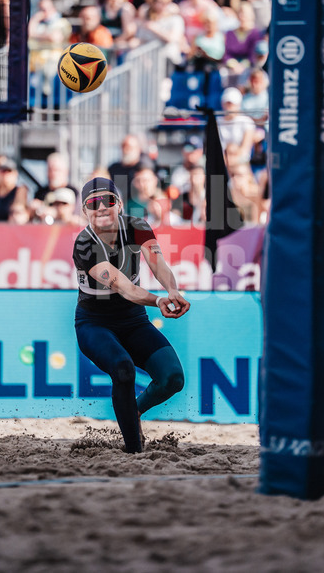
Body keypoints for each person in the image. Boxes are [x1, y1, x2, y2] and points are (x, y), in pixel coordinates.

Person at [71, 177, 189, 453]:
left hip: (133, 320)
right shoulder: (84, 244)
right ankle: (134, 450)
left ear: (120, 204)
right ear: (84, 212)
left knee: (173, 378)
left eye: (108, 201)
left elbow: (157, 263)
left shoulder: (137, 227)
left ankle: (132, 411)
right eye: (93, 203)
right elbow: (125, 288)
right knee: (123, 369)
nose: (101, 208)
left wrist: (172, 289)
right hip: (94, 324)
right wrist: (159, 299)